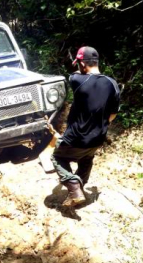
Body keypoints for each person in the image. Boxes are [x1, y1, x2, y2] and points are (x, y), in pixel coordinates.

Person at [51, 46, 120, 207]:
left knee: (57, 157)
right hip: (97, 139)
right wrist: (99, 125)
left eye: (79, 64)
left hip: (75, 138)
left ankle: (74, 187)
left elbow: (73, 75)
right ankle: (79, 189)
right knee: (86, 159)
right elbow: (113, 114)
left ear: (82, 64)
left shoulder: (77, 80)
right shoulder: (113, 84)